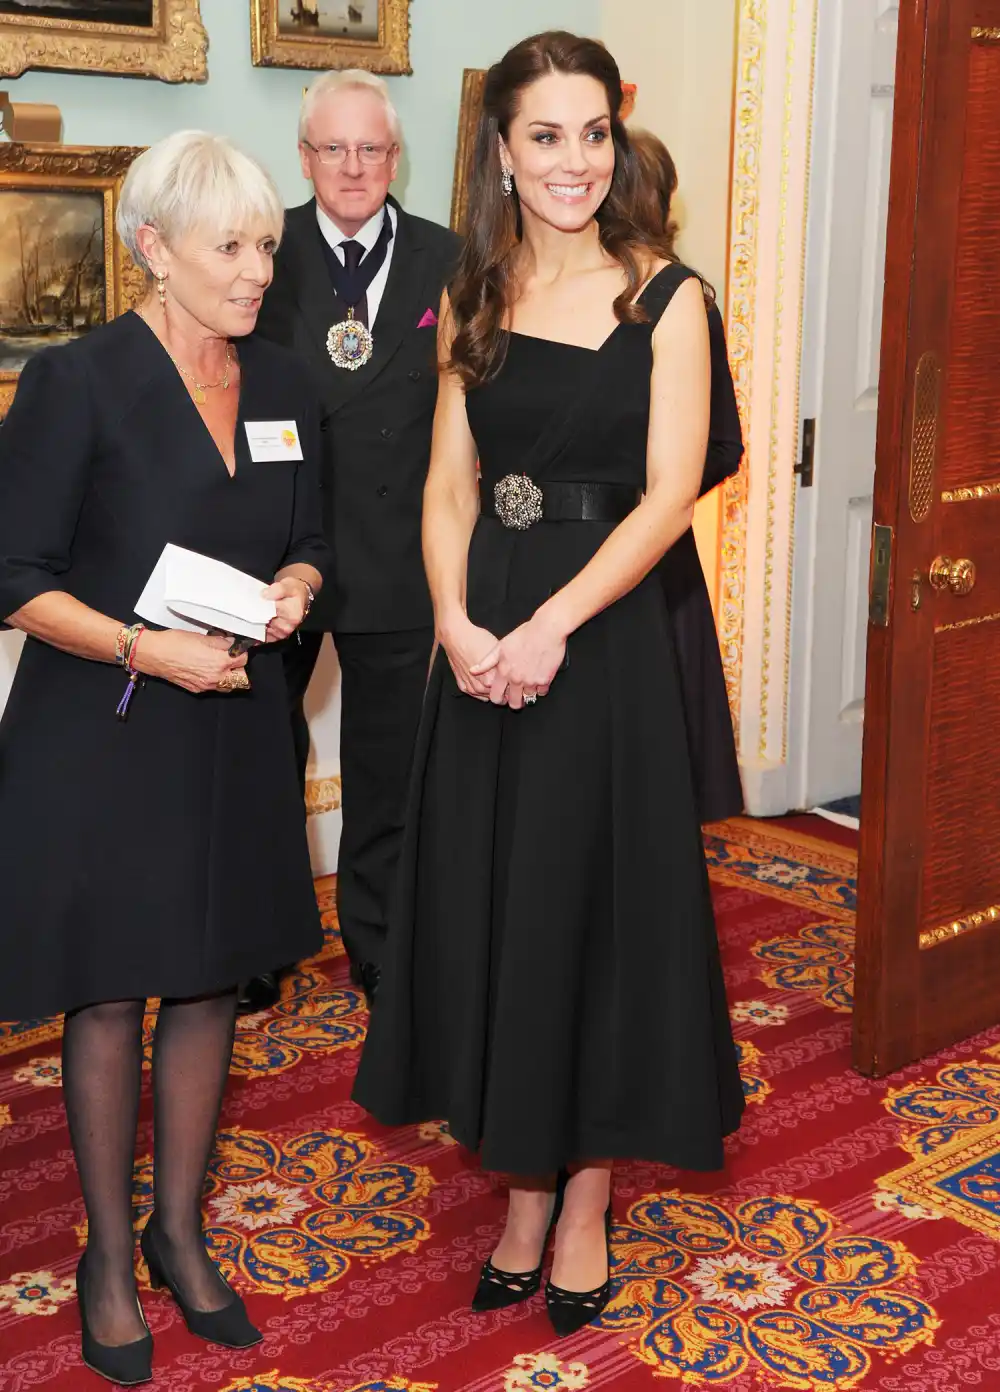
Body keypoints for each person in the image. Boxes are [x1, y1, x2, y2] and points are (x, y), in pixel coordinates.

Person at [353, 31, 744, 1339]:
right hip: (484, 642)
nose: (574, 161)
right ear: (502, 151)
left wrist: (550, 627)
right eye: (545, 136)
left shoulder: (668, 297)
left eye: (593, 133)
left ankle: (581, 1198)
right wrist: (462, 623)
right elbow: (449, 488)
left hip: (603, 639)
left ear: (613, 142)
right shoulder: (474, 291)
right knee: (493, 907)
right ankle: (518, 1184)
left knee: (586, 912)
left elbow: (670, 495)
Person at [0, 131, 327, 1386]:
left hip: (238, 721)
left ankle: (179, 1231)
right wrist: (146, 647)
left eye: (264, 249)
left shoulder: (287, 384)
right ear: (153, 251)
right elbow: (14, 578)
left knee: (207, 977)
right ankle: (102, 1257)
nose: (256, 272)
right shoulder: (77, 383)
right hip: (112, 728)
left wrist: (298, 585)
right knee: (114, 988)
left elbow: (311, 540)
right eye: (230, 249)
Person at [250, 69, 461, 1014]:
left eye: (370, 148)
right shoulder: (261, 251)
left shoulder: (449, 259)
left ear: (394, 155)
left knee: (389, 768)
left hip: (398, 558)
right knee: (261, 755)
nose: (352, 166)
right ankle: (261, 940)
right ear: (303, 159)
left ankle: (377, 938)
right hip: (276, 553)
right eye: (332, 148)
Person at [629, 126, 744, 822]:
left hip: (657, 565)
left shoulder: (684, 301)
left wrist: (649, 499)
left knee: (653, 784)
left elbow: (722, 444)